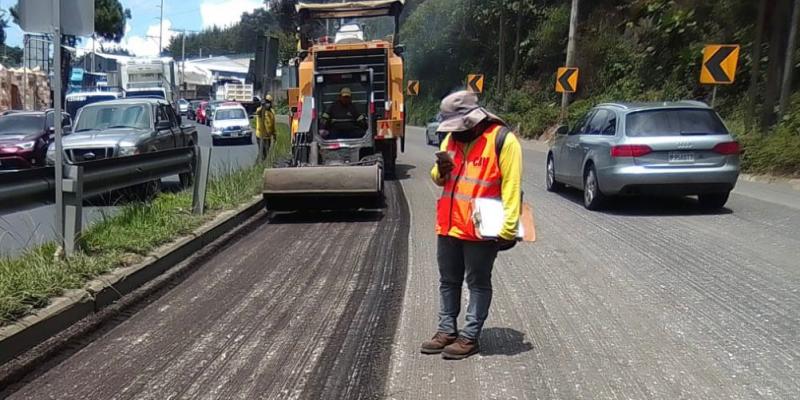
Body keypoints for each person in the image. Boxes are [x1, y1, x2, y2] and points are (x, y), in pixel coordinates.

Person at [420, 91, 523, 360]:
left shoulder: (503, 140)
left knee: (477, 282)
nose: (454, 133)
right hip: (449, 224)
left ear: (473, 120)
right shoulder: (450, 139)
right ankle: (446, 331)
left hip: (481, 228)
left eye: (458, 127)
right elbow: (438, 179)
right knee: (448, 280)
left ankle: (470, 336)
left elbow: (512, 187)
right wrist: (439, 170)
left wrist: (508, 229)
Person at [255, 94, 276, 160]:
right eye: (266, 102)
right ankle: (258, 165)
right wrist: (262, 106)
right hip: (260, 136)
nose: (267, 104)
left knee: (266, 153)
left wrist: (274, 134)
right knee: (262, 153)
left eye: (269, 102)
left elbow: (273, 124)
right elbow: (258, 112)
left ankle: (263, 164)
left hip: (268, 136)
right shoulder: (260, 110)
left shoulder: (272, 112)